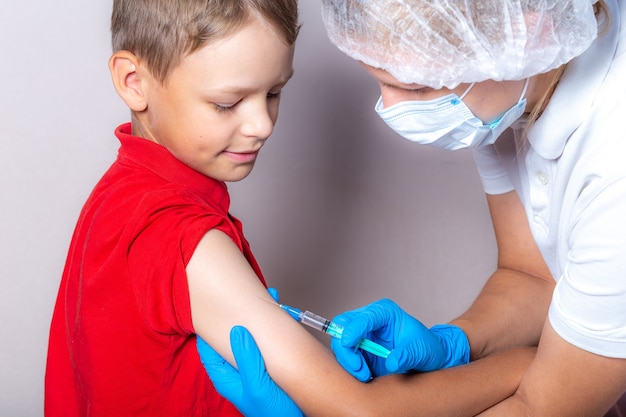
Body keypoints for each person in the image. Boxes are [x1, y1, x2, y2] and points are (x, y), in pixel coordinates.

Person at [43, 0, 535, 416]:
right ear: (134, 81)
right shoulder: (185, 241)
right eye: (228, 103)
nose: (262, 124)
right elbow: (358, 411)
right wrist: (528, 367)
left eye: (274, 93)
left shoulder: (119, 193)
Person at [199, 0, 626, 416]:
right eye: (379, 78)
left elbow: (541, 406)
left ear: (531, 30)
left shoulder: (614, 174)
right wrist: (455, 342)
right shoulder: (505, 84)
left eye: (417, 85)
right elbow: (533, 276)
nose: (392, 108)